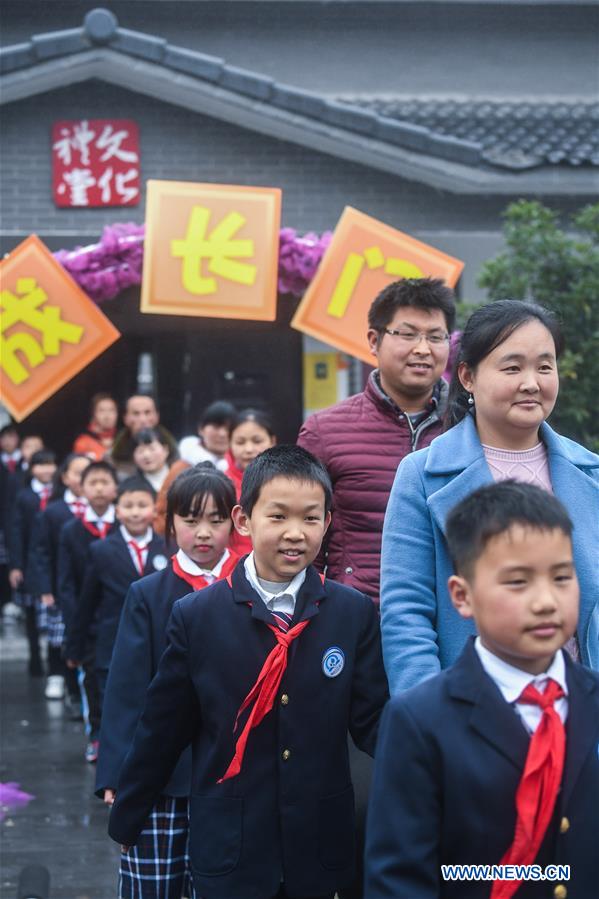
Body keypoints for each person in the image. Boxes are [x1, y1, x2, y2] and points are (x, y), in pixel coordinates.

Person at [108, 445, 389, 899]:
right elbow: (163, 727)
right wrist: (130, 811)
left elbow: (374, 718)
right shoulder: (197, 616)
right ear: (244, 520)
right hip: (231, 841)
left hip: (319, 841)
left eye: (311, 518)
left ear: (328, 522)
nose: (295, 534)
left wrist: (435, 768)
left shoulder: (350, 613)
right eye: (277, 517)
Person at [365, 481, 599, 899]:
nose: (546, 601)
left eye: (562, 577)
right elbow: (400, 878)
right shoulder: (420, 719)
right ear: (462, 595)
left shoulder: (592, 698)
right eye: (517, 582)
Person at [381, 300, 599, 693]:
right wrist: (432, 722)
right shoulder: (422, 474)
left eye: (544, 366)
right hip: (471, 716)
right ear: (467, 376)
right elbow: (407, 614)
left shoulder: (590, 472)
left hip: (578, 713)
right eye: (512, 367)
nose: (531, 382)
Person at [97, 464, 238, 899]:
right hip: (160, 772)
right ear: (170, 521)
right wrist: (117, 774)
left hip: (226, 770)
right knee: (152, 885)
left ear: (237, 520)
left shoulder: (246, 588)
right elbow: (126, 688)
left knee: (217, 883)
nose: (204, 532)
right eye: (191, 519)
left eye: (217, 520)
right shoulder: (148, 593)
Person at [298, 277, 454, 604]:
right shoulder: (324, 431)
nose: (423, 349)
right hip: (357, 619)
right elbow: (303, 537)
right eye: (408, 334)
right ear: (374, 340)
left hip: (449, 619)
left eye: (436, 337)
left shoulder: (471, 427)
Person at [65, 478, 166, 711]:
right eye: (128, 506)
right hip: (112, 641)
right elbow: (87, 602)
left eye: (142, 505)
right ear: (117, 511)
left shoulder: (167, 548)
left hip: (158, 643)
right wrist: (75, 646)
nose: (135, 512)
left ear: (154, 509)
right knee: (111, 702)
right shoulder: (101, 550)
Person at [57, 460, 118, 761]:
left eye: (105, 481)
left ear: (115, 487)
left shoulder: (124, 525)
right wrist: (73, 625)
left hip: (119, 616)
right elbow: (66, 583)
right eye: (92, 482)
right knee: (93, 679)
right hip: (88, 619)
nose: (99, 488)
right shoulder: (71, 530)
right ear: (82, 488)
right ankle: (96, 734)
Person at [32, 453, 90, 704]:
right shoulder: (53, 512)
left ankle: (79, 688)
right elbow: (41, 551)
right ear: (65, 478)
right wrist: (45, 586)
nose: (83, 479)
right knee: (60, 634)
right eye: (77, 473)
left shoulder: (101, 511)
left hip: (88, 582)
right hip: (61, 582)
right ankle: (61, 679)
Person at [7, 449, 57, 676]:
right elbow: (16, 532)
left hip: (53, 562)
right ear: (31, 469)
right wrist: (16, 565)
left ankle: (54, 661)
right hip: (29, 562)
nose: (46, 469)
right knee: (30, 613)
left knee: (53, 614)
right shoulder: (25, 496)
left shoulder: (58, 493)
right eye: (40, 464)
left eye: (50, 464)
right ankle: (35, 658)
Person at [224, 408, 277, 557]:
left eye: (257, 441)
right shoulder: (222, 485)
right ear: (229, 443)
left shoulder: (286, 483)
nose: (248, 449)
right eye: (240, 442)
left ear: (272, 441)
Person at [109, 395, 178, 479]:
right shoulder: (113, 457)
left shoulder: (174, 454)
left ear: (157, 416)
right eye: (136, 413)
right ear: (125, 418)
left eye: (147, 412)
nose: (143, 419)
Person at [178, 400, 236, 469]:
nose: (222, 434)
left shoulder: (242, 467)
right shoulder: (183, 467)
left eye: (229, 428)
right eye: (216, 427)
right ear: (201, 429)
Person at [73, 393, 119, 461]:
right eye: (101, 411)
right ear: (93, 415)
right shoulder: (83, 442)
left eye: (111, 410)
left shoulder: (124, 437)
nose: (107, 416)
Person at [132, 427, 174, 494]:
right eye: (140, 451)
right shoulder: (130, 486)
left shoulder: (180, 477)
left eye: (152, 449)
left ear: (166, 450)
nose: (146, 455)